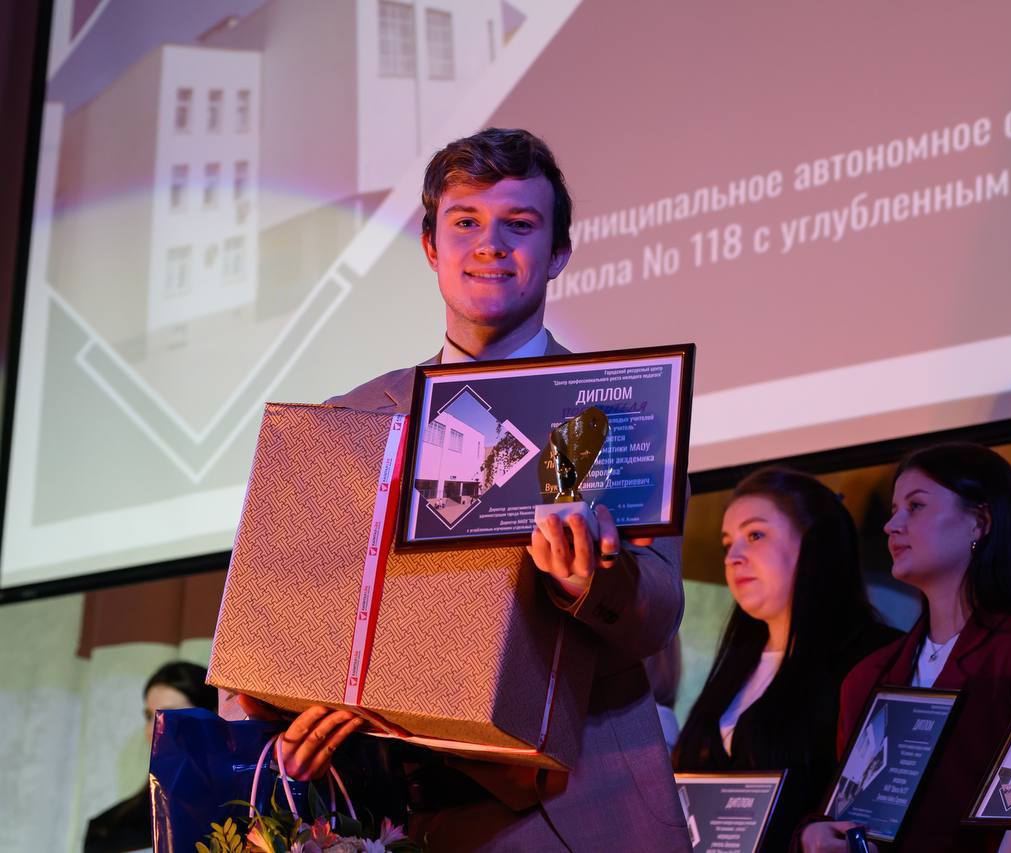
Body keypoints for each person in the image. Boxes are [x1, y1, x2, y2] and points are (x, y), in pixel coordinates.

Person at [239, 128, 689, 850]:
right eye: (466, 222)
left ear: (558, 253)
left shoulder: (615, 408)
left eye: (520, 224)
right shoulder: (348, 421)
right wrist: (287, 712)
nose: (490, 245)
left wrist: (589, 580)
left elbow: (657, 613)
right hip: (390, 817)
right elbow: (282, 610)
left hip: (578, 810)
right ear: (430, 247)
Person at [801, 443, 1011, 853]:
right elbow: (849, 808)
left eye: (915, 506)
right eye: (893, 510)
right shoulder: (867, 676)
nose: (892, 525)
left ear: (980, 522)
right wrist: (815, 835)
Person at [672, 467, 900, 850]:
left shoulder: (872, 659)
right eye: (727, 544)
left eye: (755, 535)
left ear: (814, 544)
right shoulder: (735, 667)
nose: (733, 558)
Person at [84, 661, 218, 852]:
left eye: (169, 715)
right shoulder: (107, 828)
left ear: (212, 718)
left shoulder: (246, 809)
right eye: (149, 716)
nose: (155, 729)